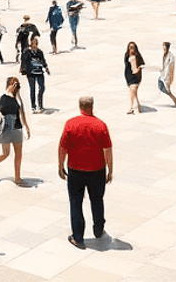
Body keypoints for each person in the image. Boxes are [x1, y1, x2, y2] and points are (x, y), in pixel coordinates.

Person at [57, 96, 112, 250]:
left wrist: (60, 165)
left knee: (76, 203)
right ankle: (99, 230)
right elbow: (108, 150)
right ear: (92, 106)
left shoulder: (70, 124)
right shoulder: (101, 125)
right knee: (97, 200)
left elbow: (63, 147)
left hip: (76, 171)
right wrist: (110, 170)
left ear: (80, 106)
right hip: (97, 170)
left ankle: (78, 238)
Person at [0, 75, 30, 186]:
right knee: (5, 153)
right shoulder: (3, 98)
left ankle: (17, 178)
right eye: (15, 83)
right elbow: (0, 110)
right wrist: (10, 91)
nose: (17, 86)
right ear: (10, 84)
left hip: (17, 127)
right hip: (6, 128)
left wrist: (26, 126)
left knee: (18, 154)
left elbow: (22, 112)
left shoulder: (17, 99)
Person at [20, 34, 50, 113]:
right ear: (31, 44)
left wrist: (46, 68)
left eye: (36, 44)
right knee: (32, 89)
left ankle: (40, 105)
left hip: (39, 72)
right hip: (31, 73)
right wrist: (23, 69)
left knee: (42, 88)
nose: (35, 45)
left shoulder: (40, 52)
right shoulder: (27, 52)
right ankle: (33, 106)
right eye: (34, 44)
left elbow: (43, 60)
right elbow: (23, 61)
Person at [124, 42, 145, 114]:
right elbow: (126, 65)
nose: (131, 48)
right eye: (130, 47)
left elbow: (142, 64)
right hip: (129, 75)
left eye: (132, 47)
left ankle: (131, 107)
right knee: (133, 91)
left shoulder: (137, 56)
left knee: (132, 90)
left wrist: (138, 69)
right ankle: (138, 105)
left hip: (136, 76)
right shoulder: (126, 55)